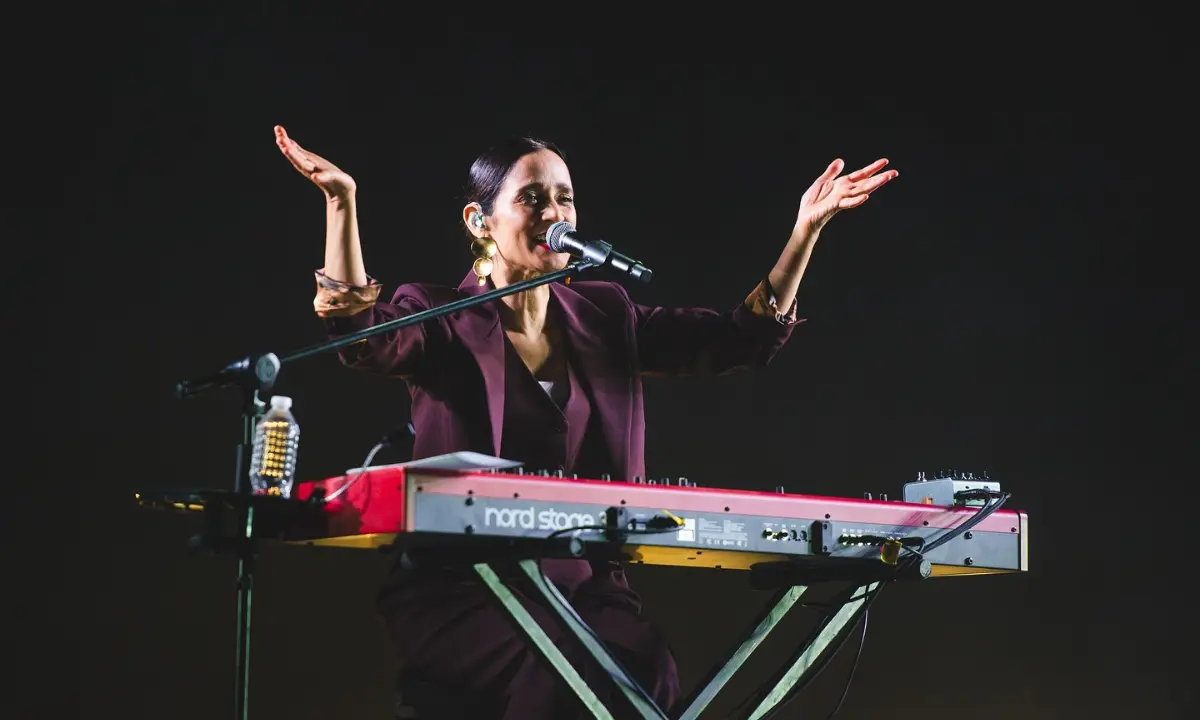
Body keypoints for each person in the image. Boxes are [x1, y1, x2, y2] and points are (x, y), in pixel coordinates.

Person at [274, 124, 897, 719]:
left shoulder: (604, 315)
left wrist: (804, 233)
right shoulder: (439, 315)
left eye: (565, 198)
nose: (554, 214)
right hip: (465, 591)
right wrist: (341, 202)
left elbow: (738, 340)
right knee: (570, 671)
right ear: (479, 220)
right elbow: (363, 336)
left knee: (646, 668)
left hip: (589, 590)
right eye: (532, 198)